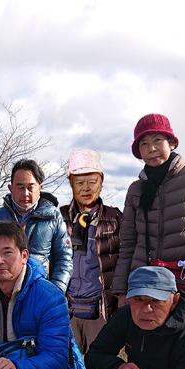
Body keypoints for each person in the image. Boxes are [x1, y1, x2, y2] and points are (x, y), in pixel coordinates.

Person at [113, 114, 185, 316]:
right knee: (150, 345)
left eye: (158, 140)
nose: (151, 148)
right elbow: (128, 243)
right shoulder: (136, 190)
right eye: (144, 143)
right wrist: (121, 290)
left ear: (172, 143)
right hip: (146, 286)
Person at [0, 221, 87, 369]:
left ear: (24, 256)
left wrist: (18, 368)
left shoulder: (50, 297)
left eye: (7, 252)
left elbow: (56, 358)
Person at [59, 150, 123, 354]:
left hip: (102, 310)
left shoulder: (115, 218)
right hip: (66, 310)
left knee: (100, 366)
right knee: (66, 367)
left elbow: (125, 260)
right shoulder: (58, 218)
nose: (86, 188)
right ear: (70, 183)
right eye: (79, 182)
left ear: (101, 181)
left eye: (92, 181)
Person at [0, 159, 72, 293]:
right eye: (20, 187)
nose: (25, 193)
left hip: (41, 292)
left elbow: (64, 258)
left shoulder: (53, 217)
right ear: (11, 188)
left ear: (40, 188)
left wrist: (56, 291)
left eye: (30, 187)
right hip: (3, 293)